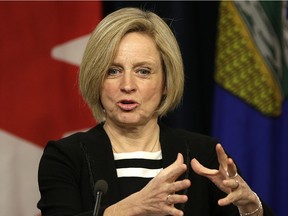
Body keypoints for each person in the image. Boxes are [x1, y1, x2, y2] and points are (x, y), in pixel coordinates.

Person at [37, 7, 274, 216]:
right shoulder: (65, 158)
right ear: (96, 79)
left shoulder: (205, 157)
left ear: (166, 83)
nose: (127, 85)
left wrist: (250, 207)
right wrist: (130, 208)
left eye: (143, 71)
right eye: (113, 71)